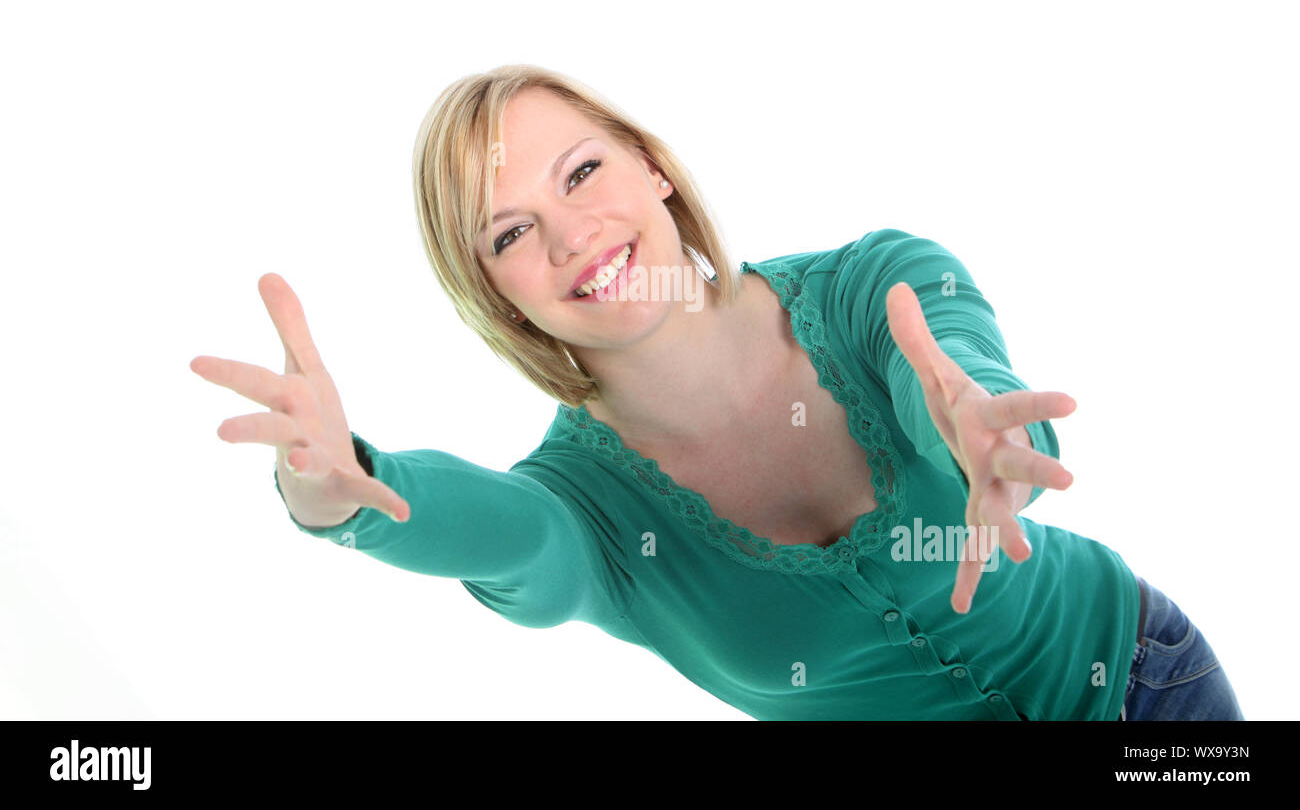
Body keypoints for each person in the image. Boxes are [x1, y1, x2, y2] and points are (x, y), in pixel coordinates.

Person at [190, 64, 1243, 720]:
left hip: (1150, 691)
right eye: (509, 233)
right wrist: (342, 491)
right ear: (496, 298)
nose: (571, 234)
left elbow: (953, 382)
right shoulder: (587, 513)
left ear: (652, 166)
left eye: (581, 172)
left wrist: (969, 427)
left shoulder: (873, 281)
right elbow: (510, 539)